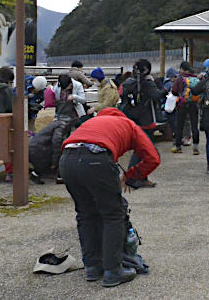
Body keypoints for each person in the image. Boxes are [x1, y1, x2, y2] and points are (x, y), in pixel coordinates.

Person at [60, 107, 161, 287]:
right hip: (97, 158)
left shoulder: (91, 122)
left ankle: (92, 267)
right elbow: (153, 158)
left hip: (67, 159)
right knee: (113, 214)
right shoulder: (128, 124)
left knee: (85, 214)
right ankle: (113, 271)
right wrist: (131, 175)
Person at [120, 59, 166, 188]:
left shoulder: (129, 82)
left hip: (133, 119)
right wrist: (164, 90)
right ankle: (131, 177)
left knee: (141, 148)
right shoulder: (147, 82)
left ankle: (141, 177)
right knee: (144, 149)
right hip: (146, 119)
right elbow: (156, 95)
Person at [171, 61, 201, 155]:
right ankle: (195, 147)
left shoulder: (179, 79)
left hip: (182, 105)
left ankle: (178, 147)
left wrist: (180, 96)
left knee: (180, 125)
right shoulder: (195, 78)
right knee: (194, 125)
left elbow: (174, 91)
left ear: (182, 69)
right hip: (194, 104)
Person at [29, 119, 71, 184]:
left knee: (43, 163)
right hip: (39, 149)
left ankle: (35, 175)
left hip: (35, 147)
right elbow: (56, 142)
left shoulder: (58, 123)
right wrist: (55, 161)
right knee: (59, 153)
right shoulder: (62, 126)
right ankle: (59, 177)